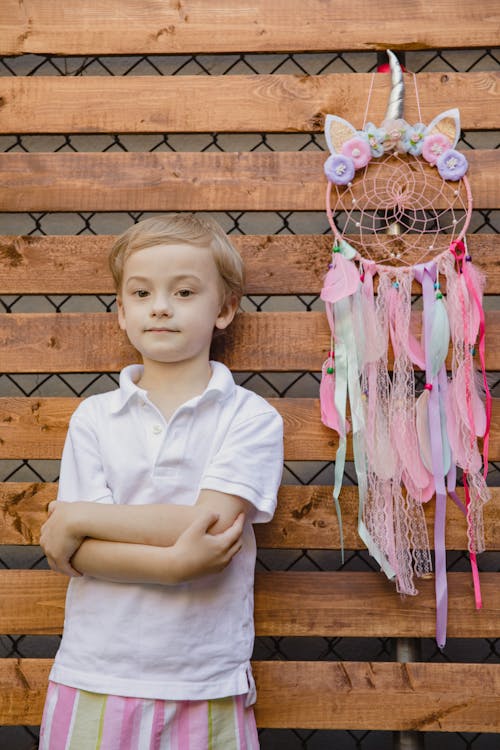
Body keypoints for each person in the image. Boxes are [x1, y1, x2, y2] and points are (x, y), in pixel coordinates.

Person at [38, 214, 284, 749]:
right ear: (122, 312)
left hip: (205, 679)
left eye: (185, 291)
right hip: (95, 672)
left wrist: (76, 517)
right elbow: (79, 555)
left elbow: (210, 526)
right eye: (142, 292)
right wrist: (172, 562)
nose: (162, 306)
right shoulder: (95, 418)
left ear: (224, 309)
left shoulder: (250, 417)